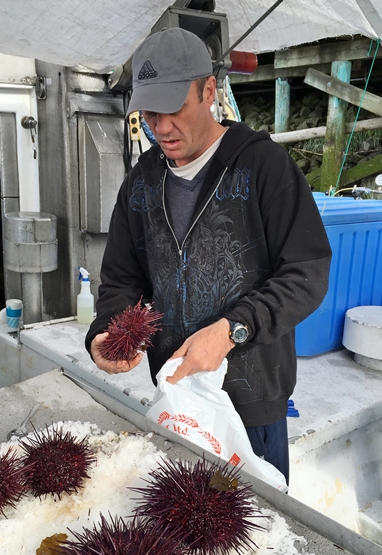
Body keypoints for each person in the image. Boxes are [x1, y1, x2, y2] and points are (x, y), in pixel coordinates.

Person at [85, 27, 332, 485]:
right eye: (150, 112)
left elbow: (307, 273)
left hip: (253, 399)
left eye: (174, 108)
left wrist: (232, 330)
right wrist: (107, 332)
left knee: (256, 535)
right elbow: (121, 279)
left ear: (209, 91)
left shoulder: (264, 166)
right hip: (176, 398)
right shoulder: (141, 182)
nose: (160, 127)